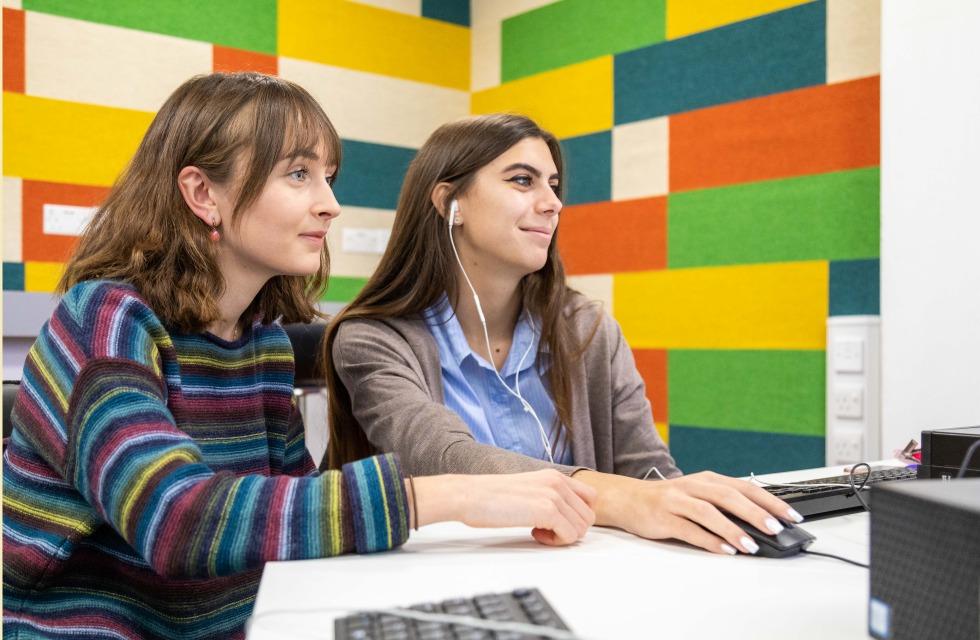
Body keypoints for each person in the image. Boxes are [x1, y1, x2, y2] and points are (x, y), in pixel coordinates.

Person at [1, 75, 595, 639]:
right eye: (298, 174)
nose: (331, 204)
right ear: (203, 193)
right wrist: (449, 496)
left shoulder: (261, 343)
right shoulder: (104, 319)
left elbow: (297, 513)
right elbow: (175, 517)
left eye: (328, 176)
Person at [324, 113, 804, 558]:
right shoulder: (373, 339)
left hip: (582, 579)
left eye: (553, 185)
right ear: (451, 203)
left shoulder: (587, 329)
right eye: (522, 180)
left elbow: (648, 470)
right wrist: (623, 499)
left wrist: (694, 508)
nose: (553, 204)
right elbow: (442, 458)